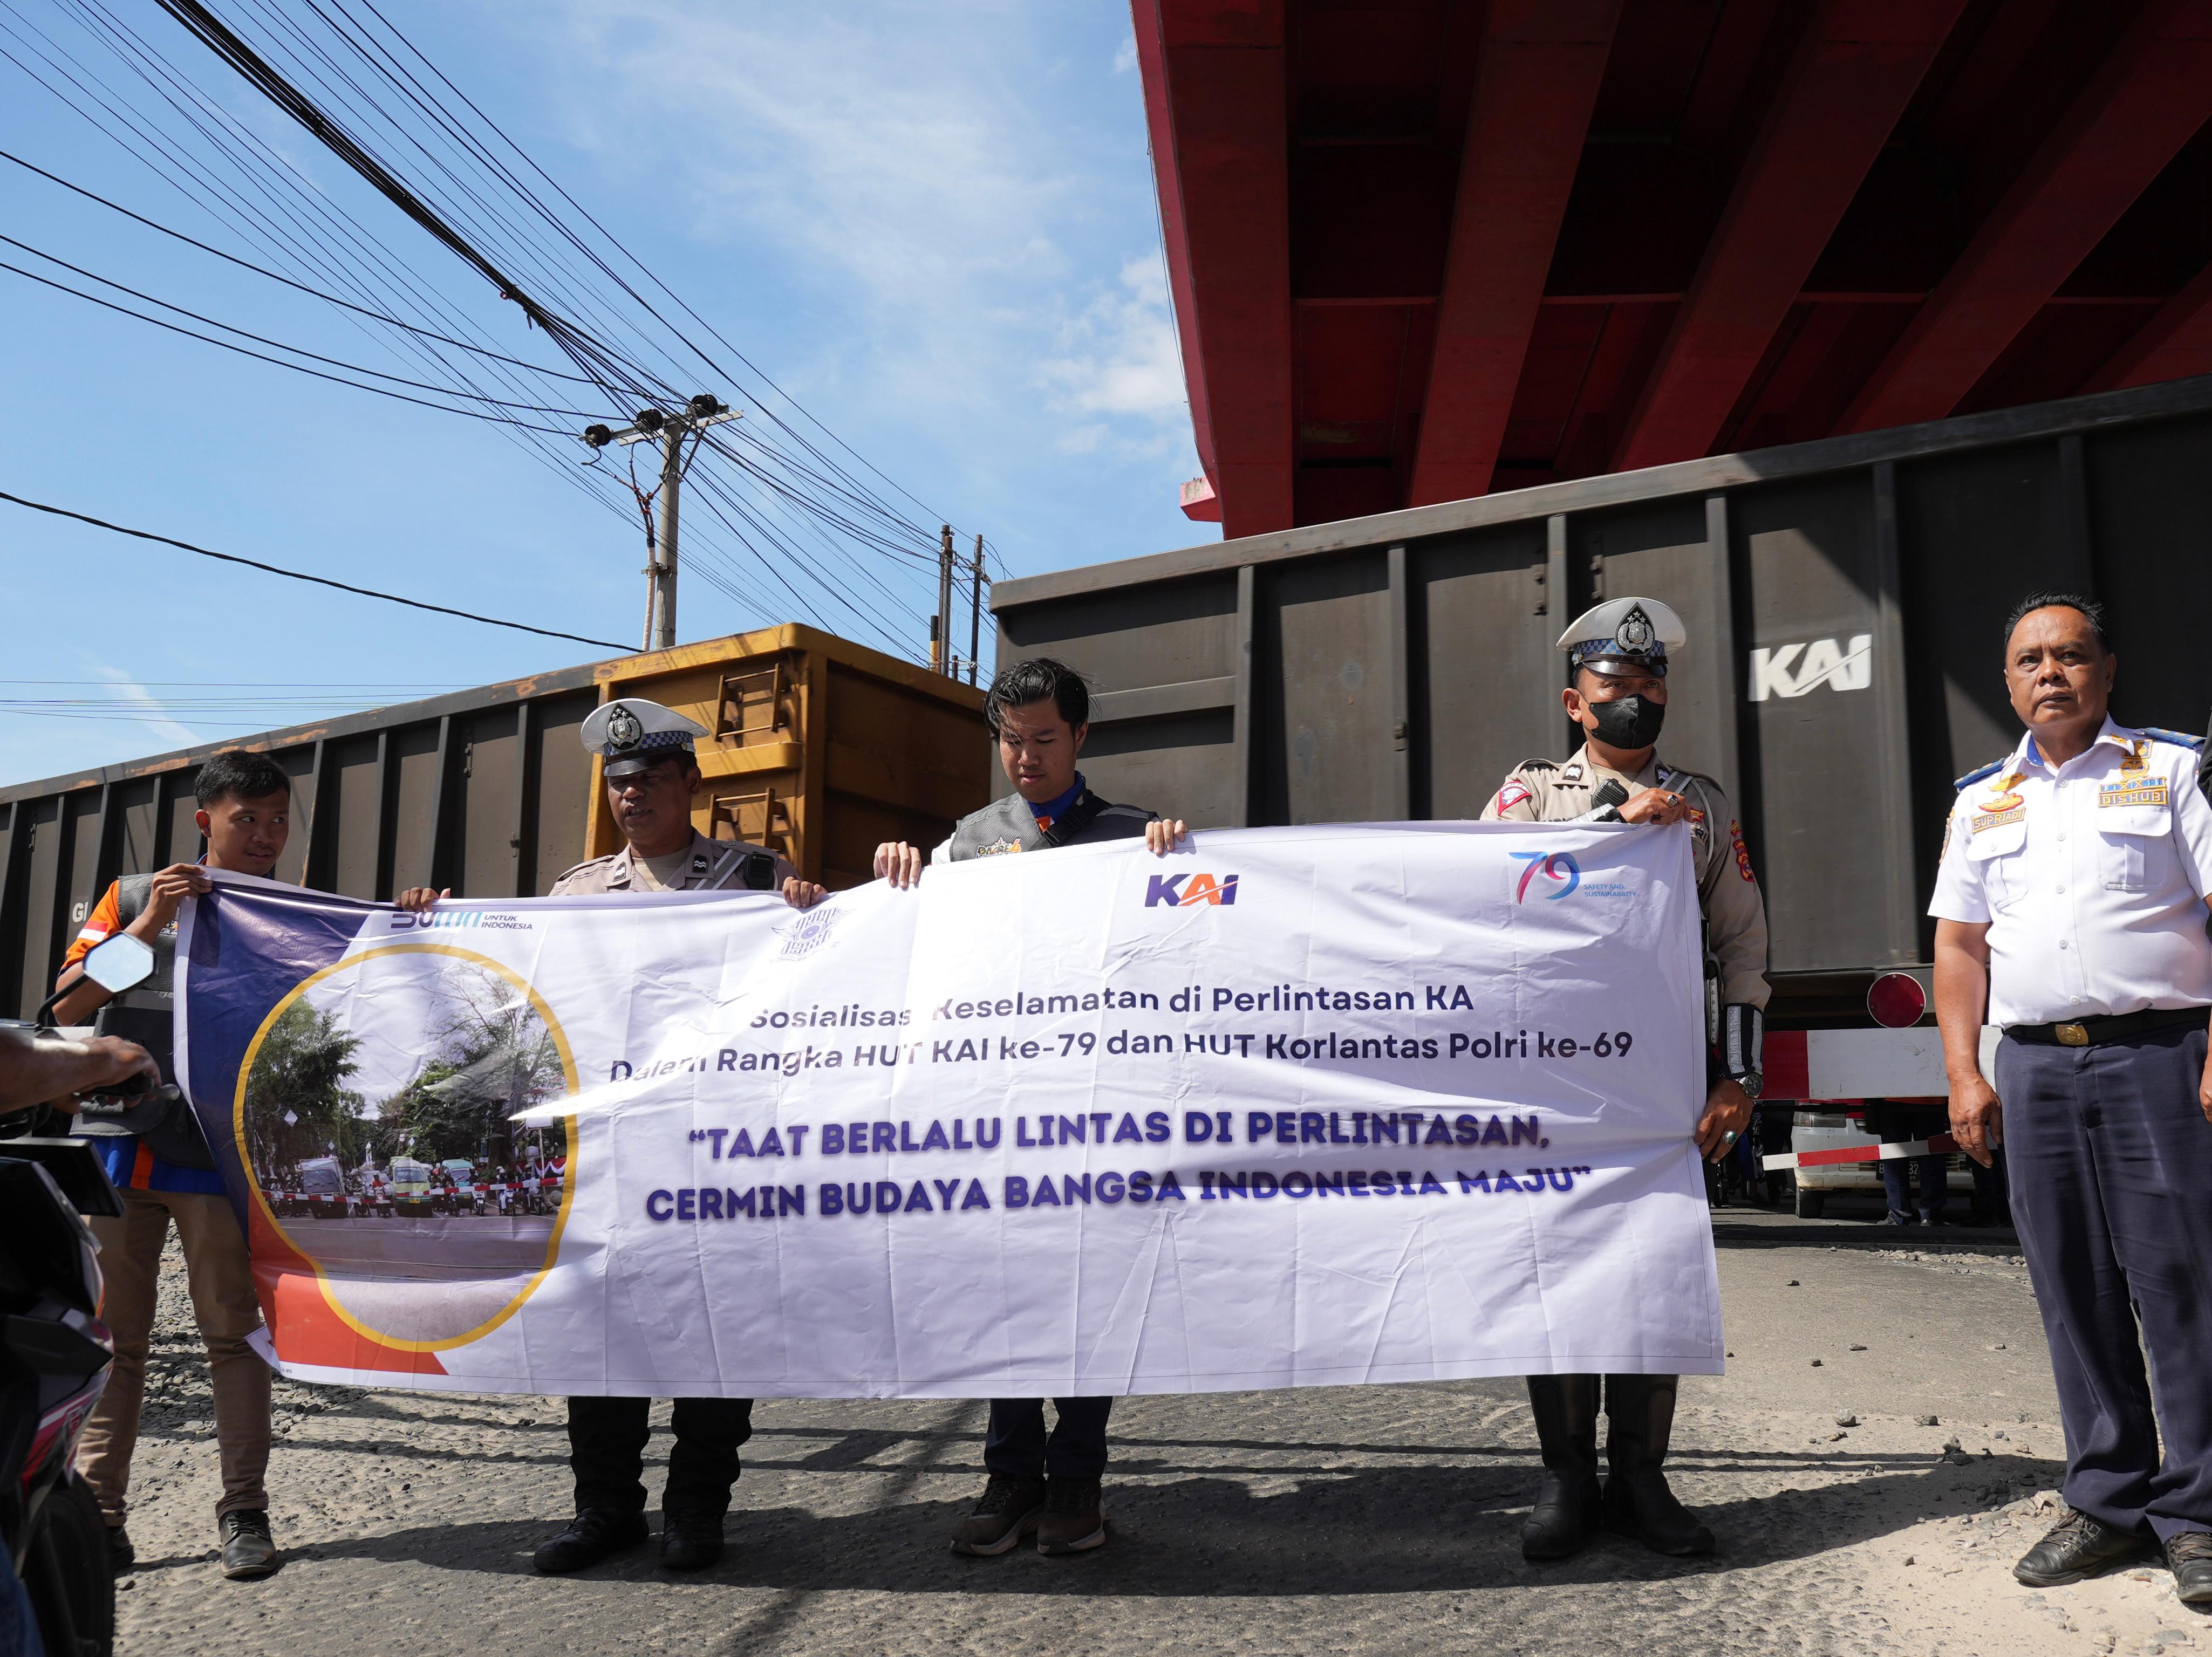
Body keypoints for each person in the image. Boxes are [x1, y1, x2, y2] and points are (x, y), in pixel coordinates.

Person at [1930, 592, 2212, 1606]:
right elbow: (1959, 945)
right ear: (2008, 682)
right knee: (2071, 1289)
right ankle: (2109, 1500)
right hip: (2037, 1069)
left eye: (2070, 655)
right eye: (2029, 660)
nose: (2051, 672)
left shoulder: (2173, 769)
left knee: (2184, 1286)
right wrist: (1967, 1071)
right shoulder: (1981, 798)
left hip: (2161, 1053)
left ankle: (2200, 1511)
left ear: (2107, 669)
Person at [872, 656, 1186, 1559]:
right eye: (1011, 741)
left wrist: (1180, 868)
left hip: (1099, 1116)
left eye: (1044, 739)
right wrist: (899, 872)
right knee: (1006, 1295)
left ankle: (1078, 1482)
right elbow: (911, 946)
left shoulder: (1137, 838)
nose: (1026, 757)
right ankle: (1010, 1478)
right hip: (999, 1118)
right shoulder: (968, 844)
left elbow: (1184, 954)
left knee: (1089, 1296)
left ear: (1081, 738)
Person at [1480, 596, 1769, 1562]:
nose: (1636, 700)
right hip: (1555, 1087)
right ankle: (1567, 1481)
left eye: (1651, 686)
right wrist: (1613, 823)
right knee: (1559, 1278)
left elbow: (1742, 947)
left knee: (1653, 1275)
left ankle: (1641, 1479)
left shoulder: (1707, 805)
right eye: (1617, 687)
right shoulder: (1527, 796)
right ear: (1577, 701)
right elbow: (1488, 897)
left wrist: (1739, 1075)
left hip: (1664, 1087)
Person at [522, 697, 821, 1577]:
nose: (631, 795)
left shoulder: (756, 881)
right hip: (612, 1156)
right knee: (601, 1334)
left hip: (715, 1153)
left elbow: (818, 995)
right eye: (619, 783)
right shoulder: (573, 896)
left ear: (690, 781)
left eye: (650, 778)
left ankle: (697, 1511)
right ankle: (606, 1509)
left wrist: (815, 918)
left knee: (712, 1335)